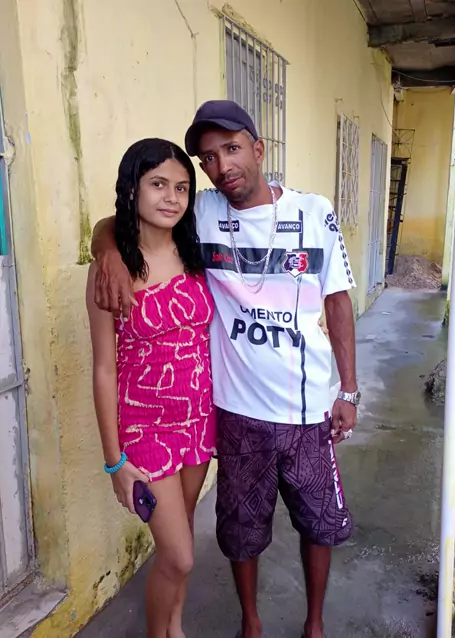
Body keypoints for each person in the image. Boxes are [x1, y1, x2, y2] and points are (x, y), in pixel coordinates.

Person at [91, 102, 359, 638]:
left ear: (258, 149)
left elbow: (337, 302)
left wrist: (348, 389)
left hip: (296, 408)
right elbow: (118, 221)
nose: (221, 165)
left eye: (232, 149)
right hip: (232, 413)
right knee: (235, 531)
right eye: (208, 158)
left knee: (320, 523)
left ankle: (314, 625)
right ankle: (249, 625)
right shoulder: (202, 213)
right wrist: (108, 253)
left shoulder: (312, 211)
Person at [85, 138, 216, 638]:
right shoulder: (112, 268)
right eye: (158, 184)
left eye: (181, 187)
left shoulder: (194, 251)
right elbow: (103, 369)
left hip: (198, 422)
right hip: (146, 431)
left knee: (178, 544)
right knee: (179, 557)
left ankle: (173, 627)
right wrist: (114, 462)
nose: (171, 197)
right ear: (132, 188)